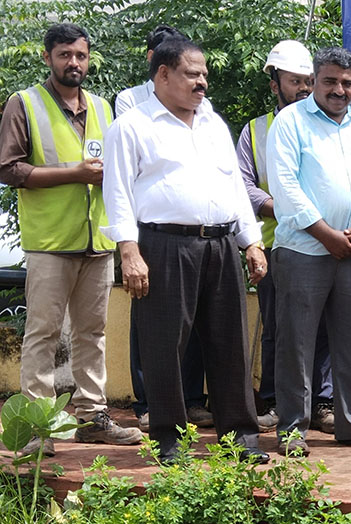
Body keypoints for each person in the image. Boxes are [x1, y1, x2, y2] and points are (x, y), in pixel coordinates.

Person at [102, 39, 270, 464]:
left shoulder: (213, 124)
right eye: (192, 74)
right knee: (163, 345)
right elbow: (117, 191)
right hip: (163, 245)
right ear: (162, 74)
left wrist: (250, 240)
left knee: (229, 342)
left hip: (219, 244)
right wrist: (129, 251)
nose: (202, 82)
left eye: (205, 74)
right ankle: (169, 441)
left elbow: (233, 185)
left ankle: (241, 440)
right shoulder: (133, 125)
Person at [0, 23, 142, 456]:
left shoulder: (102, 107)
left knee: (92, 332)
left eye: (80, 55)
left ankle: (92, 415)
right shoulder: (24, 104)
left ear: (88, 58)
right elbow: (9, 169)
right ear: (47, 58)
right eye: (64, 55)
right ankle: (37, 427)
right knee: (42, 333)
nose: (73, 63)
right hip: (49, 241)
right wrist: (75, 174)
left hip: (97, 240)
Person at [266, 47, 351, 457]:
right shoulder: (291, 122)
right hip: (305, 249)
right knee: (297, 344)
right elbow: (285, 185)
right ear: (313, 82)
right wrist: (326, 235)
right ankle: (292, 430)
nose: (339, 90)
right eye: (330, 81)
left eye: (346, 83)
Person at [115, 24, 213, 432]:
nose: (198, 81)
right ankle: (150, 405)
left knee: (192, 325)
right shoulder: (130, 105)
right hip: (152, 231)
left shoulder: (202, 110)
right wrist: (129, 247)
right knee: (153, 327)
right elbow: (128, 175)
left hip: (201, 236)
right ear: (157, 65)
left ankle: (190, 400)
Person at [237, 39, 336, 434]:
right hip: (278, 245)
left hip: (323, 244)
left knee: (324, 329)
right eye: (294, 81)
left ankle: (324, 403)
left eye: (308, 81)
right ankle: (279, 401)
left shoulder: (329, 124)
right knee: (279, 328)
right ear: (274, 82)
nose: (303, 89)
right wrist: (285, 208)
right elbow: (242, 185)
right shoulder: (257, 130)